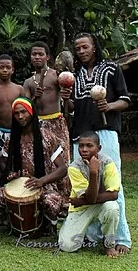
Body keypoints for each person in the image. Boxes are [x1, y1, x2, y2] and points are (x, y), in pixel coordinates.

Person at [61, 32, 131, 254]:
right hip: (80, 136)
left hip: (105, 134)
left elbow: (125, 100)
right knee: (83, 185)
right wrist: (66, 100)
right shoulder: (74, 75)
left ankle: (121, 237)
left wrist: (109, 107)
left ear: (94, 47)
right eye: (78, 48)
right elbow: (73, 109)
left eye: (85, 47)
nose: (81, 51)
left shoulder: (111, 68)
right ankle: (92, 236)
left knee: (111, 184)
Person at [0, 97, 68, 236]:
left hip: (43, 185)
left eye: (23, 112)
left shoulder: (47, 137)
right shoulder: (12, 138)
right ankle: (14, 224)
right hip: (20, 185)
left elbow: (62, 169)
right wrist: (10, 173)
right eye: (16, 113)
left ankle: (49, 227)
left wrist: (42, 181)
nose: (20, 116)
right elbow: (2, 161)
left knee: (51, 202)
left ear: (31, 112)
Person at [59, 131, 120, 258]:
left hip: (96, 205)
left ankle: (109, 245)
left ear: (99, 148)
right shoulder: (74, 167)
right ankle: (80, 233)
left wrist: (82, 201)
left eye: (89, 145)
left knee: (112, 207)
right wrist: (93, 173)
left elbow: (114, 195)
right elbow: (91, 198)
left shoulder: (107, 163)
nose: (84, 149)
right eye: (81, 146)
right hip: (81, 210)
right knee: (67, 246)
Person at [23, 41, 70, 165]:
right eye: (34, 54)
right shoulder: (28, 82)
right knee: (44, 160)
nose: (37, 57)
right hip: (38, 124)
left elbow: (69, 102)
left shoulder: (56, 75)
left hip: (56, 122)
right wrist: (35, 98)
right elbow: (26, 107)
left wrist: (66, 98)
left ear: (47, 57)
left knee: (62, 159)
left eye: (40, 54)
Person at [0, 54, 24, 185]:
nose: (5, 70)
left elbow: (26, 110)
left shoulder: (19, 89)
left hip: (16, 131)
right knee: (1, 162)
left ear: (13, 70)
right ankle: (3, 185)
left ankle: (19, 185)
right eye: (1, 67)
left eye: (8, 67)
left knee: (17, 159)